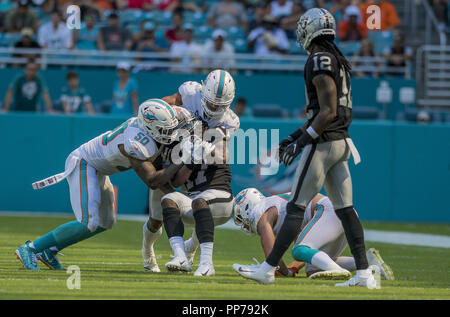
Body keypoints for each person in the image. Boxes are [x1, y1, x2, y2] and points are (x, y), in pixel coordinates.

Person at [233, 8, 376, 289]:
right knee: (345, 210)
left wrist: (301, 142)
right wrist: (293, 136)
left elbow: (327, 111)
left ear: (311, 29)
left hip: (324, 142)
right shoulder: (336, 59)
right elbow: (323, 113)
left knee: (296, 204)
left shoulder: (318, 59)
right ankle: (364, 274)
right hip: (341, 141)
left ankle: (267, 269)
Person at [14, 100, 187, 270]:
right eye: (165, 129)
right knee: (88, 222)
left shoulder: (155, 127)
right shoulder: (136, 142)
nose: (169, 132)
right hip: (85, 163)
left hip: (99, 170)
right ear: (149, 127)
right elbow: (152, 181)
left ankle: (49, 252)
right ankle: (30, 249)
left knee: (106, 222)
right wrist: (182, 160)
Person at [141, 70, 240, 276]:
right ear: (203, 93)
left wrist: (199, 151)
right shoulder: (190, 93)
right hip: (169, 149)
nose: (213, 108)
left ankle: (189, 253)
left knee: (199, 204)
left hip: (189, 159)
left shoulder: (229, 121)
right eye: (211, 102)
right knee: (156, 217)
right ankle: (147, 249)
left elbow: (221, 156)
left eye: (219, 105)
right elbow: (161, 106)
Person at [233, 188, 395, 280]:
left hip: (330, 211)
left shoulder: (262, 213)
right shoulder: (277, 207)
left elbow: (271, 251)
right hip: (340, 214)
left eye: (240, 214)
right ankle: (369, 263)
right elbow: (303, 248)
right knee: (313, 269)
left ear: (248, 206)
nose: (242, 220)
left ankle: (337, 270)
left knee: (299, 249)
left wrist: (281, 270)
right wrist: (290, 269)